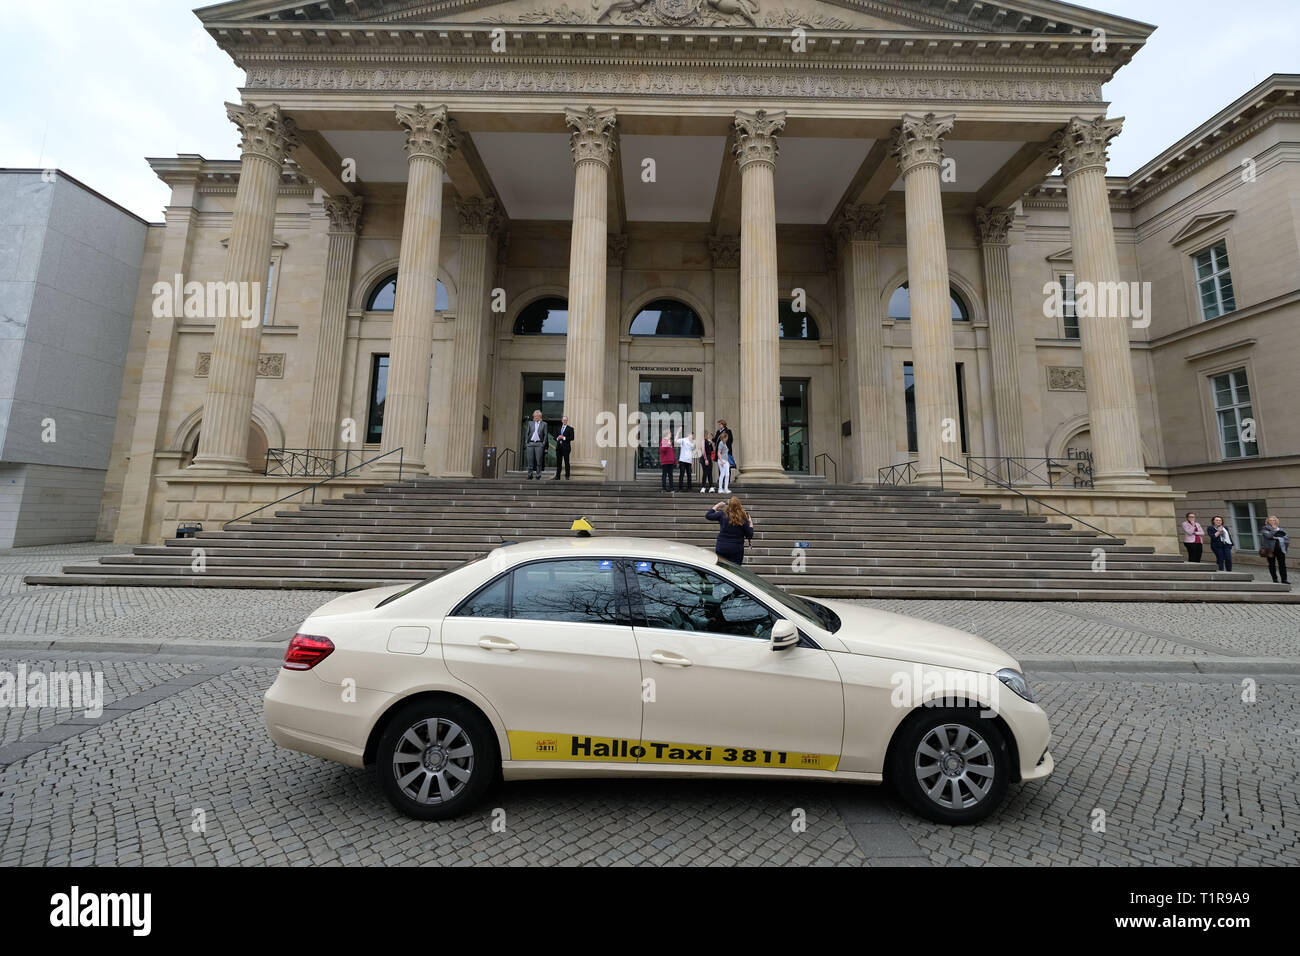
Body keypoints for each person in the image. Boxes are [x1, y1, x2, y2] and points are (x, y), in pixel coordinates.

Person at [706, 496, 755, 564]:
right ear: (739, 505)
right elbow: (750, 535)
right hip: (736, 549)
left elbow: (708, 515)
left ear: (729, 506)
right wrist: (750, 522)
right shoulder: (743, 518)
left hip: (722, 547)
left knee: (721, 569)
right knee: (735, 571)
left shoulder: (722, 514)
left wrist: (718, 505)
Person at [1261, 516, 1290, 585]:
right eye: (1270, 520)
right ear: (1267, 521)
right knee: (1272, 564)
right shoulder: (1264, 528)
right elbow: (1268, 536)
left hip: (1280, 549)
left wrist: (1276, 537)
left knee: (1282, 564)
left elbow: (1286, 537)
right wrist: (1274, 530)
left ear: (1276, 521)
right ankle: (1275, 579)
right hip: (1270, 549)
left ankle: (1284, 579)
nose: (1272, 521)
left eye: (1273, 520)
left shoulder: (1281, 529)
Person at [524, 409, 547, 480]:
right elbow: (527, 433)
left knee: (539, 461)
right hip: (530, 444)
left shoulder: (544, 424)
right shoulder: (530, 423)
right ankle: (530, 475)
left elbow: (545, 435)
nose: (536, 417)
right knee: (530, 461)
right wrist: (526, 443)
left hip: (539, 444)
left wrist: (543, 444)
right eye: (535, 416)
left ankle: (538, 475)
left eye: (537, 416)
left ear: (540, 416)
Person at [552, 415, 574, 480]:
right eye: (563, 420)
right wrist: (557, 438)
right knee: (558, 463)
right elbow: (554, 437)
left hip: (566, 448)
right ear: (562, 420)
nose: (564, 421)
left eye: (565, 420)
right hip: (559, 448)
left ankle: (567, 476)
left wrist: (563, 438)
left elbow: (572, 438)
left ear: (567, 421)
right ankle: (557, 476)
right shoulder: (558, 428)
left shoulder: (570, 429)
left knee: (566, 462)